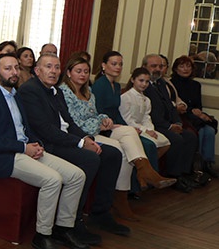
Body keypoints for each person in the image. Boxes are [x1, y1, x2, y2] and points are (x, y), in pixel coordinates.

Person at [0, 53, 86, 249]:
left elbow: (26, 128)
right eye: (8, 68)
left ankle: (63, 228)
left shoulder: (16, 95)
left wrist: (36, 144)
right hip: (5, 157)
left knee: (76, 175)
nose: (14, 72)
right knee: (53, 180)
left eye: (16, 67)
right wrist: (24, 148)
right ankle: (42, 235)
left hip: (26, 149)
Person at [20, 53, 128, 238]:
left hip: (64, 139)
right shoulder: (30, 91)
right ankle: (72, 221)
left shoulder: (56, 91)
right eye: (48, 67)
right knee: (90, 159)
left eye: (56, 67)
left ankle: (100, 213)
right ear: (37, 70)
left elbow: (69, 122)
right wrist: (80, 143)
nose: (53, 71)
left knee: (113, 154)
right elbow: (45, 130)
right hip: (48, 144)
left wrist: (87, 138)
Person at [59, 55, 175, 219]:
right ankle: (124, 194)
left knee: (128, 132)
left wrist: (104, 119)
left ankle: (142, 172)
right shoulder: (64, 92)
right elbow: (74, 122)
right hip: (83, 134)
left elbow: (96, 113)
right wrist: (100, 124)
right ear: (69, 73)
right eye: (79, 71)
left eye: (86, 71)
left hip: (99, 129)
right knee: (120, 149)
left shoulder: (88, 91)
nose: (83, 75)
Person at [141, 54, 201, 191]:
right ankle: (174, 176)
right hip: (154, 125)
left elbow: (171, 106)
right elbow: (150, 113)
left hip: (168, 123)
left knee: (190, 137)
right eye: (153, 66)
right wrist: (169, 127)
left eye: (160, 66)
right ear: (144, 67)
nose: (158, 69)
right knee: (176, 139)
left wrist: (178, 123)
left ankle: (184, 173)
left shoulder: (162, 83)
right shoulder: (143, 85)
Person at [171, 55, 218, 178]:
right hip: (181, 116)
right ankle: (193, 165)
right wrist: (191, 110)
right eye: (182, 66)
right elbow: (174, 105)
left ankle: (206, 164)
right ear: (175, 69)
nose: (185, 69)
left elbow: (199, 105)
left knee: (209, 130)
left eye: (188, 66)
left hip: (195, 117)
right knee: (199, 131)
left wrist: (199, 113)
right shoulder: (171, 84)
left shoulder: (196, 85)